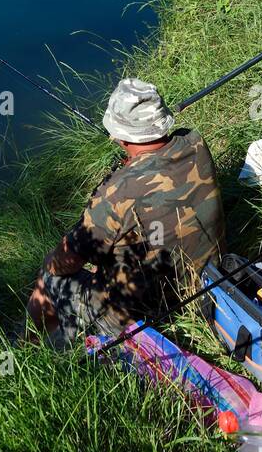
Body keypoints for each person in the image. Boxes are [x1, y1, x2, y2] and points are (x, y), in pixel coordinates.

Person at [27, 78, 225, 344]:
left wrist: (55, 258)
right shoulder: (195, 142)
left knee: (48, 274)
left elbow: (67, 261)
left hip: (143, 310)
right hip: (206, 282)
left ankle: (37, 347)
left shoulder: (117, 193)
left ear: (121, 137)